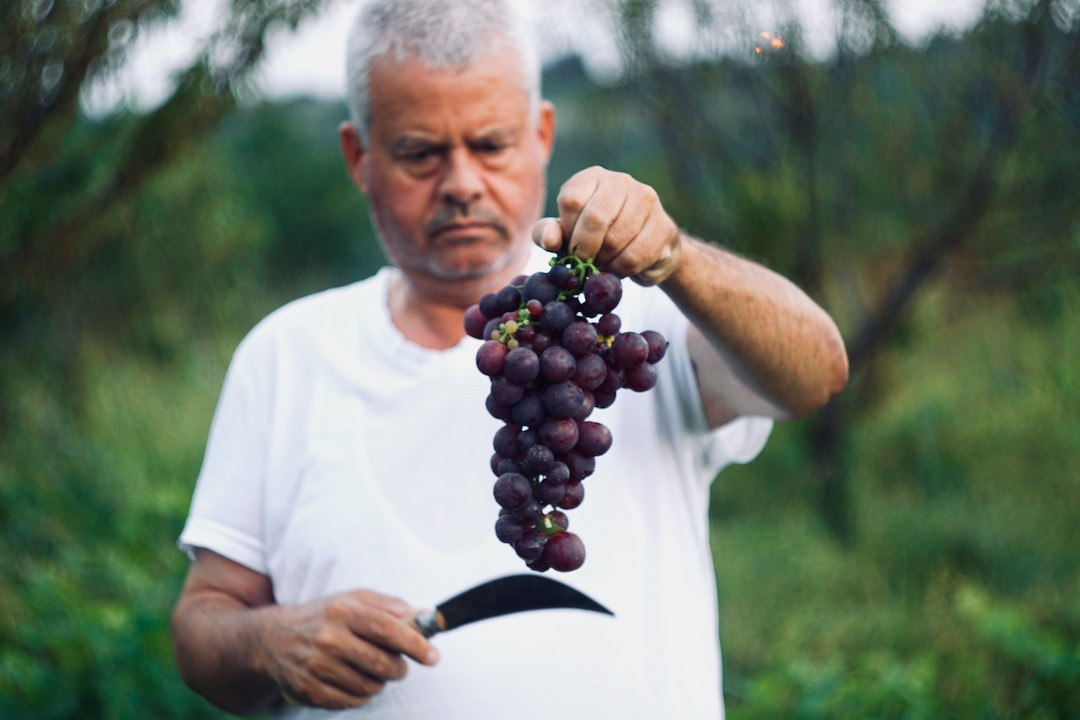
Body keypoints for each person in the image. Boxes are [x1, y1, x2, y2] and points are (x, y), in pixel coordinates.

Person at [170, 1, 849, 718]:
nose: (461, 182)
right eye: (421, 153)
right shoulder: (286, 355)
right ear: (358, 157)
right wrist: (267, 642)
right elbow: (202, 627)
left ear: (542, 134)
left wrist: (679, 259)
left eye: (490, 144)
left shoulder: (628, 325)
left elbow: (817, 371)